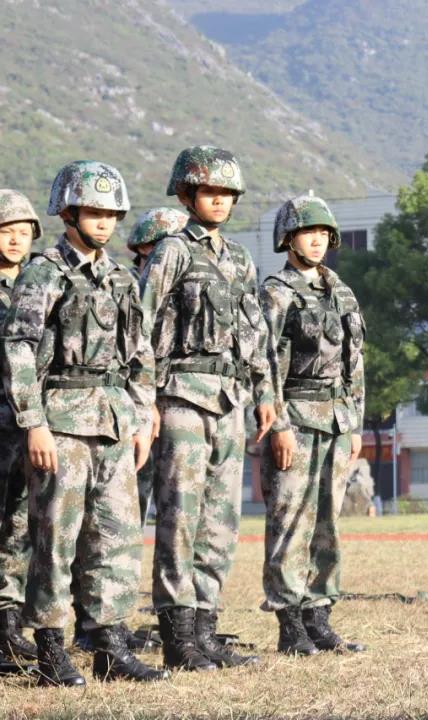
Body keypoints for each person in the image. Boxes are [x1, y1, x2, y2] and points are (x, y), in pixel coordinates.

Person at [0, 162, 167, 685]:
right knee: (55, 538)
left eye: (111, 213)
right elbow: (19, 349)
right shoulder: (43, 272)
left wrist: (141, 419)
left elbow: (140, 355)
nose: (104, 223)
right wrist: (34, 423)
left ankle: (110, 645)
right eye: (94, 212)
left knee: (115, 538)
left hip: (113, 422)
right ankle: (50, 648)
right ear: (68, 212)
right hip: (62, 421)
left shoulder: (120, 278)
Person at [140, 146, 275, 671]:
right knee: (180, 516)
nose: (218, 201)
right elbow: (141, 325)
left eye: (226, 193)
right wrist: (144, 398)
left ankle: (206, 629)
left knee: (220, 519)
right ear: (187, 194)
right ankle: (177, 636)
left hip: (229, 397)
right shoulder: (172, 251)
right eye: (209, 192)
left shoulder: (239, 257)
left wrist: (265, 393)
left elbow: (255, 333)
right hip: (179, 396)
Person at [259, 193, 365, 655]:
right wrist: (277, 425)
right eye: (308, 232)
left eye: (324, 234)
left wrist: (356, 424)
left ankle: (318, 615)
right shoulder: (275, 292)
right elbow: (262, 364)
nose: (318, 241)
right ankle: (289, 622)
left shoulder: (340, 291)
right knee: (289, 520)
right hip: (296, 420)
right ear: (288, 238)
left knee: (328, 522)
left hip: (338, 421)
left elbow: (355, 362)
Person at [125, 207, 188, 527]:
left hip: (178, 406)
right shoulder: (128, 289)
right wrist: (145, 404)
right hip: (135, 408)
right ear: (145, 249)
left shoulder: (184, 295)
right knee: (128, 507)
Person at [0, 190, 41, 668]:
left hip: (26, 423)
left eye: (23, 232)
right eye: (6, 230)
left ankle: (7, 628)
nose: (15, 240)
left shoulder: (39, 283)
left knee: (19, 527)